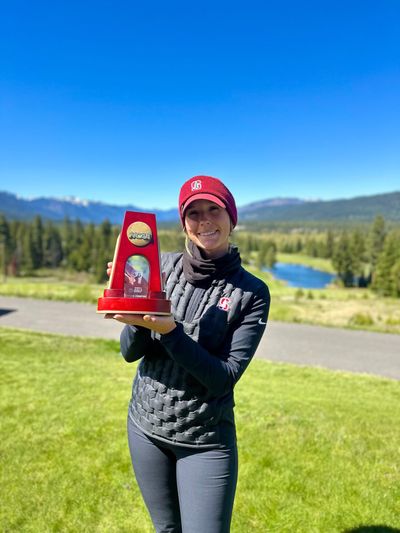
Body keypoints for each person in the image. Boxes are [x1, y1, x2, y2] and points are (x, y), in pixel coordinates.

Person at [108, 175, 270, 533]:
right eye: (193, 213)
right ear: (184, 223)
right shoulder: (160, 266)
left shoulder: (252, 293)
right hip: (145, 428)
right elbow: (129, 353)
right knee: (166, 529)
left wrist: (169, 330)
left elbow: (222, 377)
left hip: (205, 441)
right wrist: (137, 312)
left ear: (231, 217)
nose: (204, 220)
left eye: (214, 209)